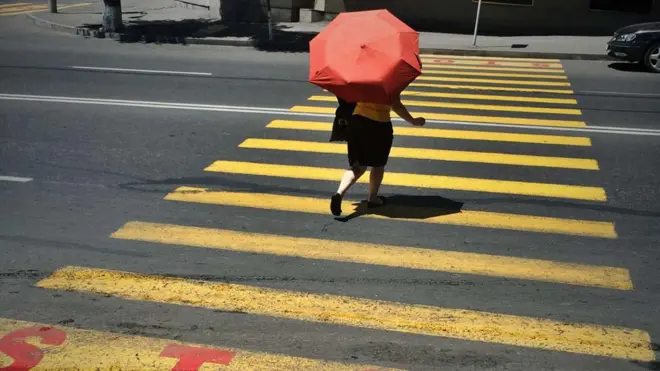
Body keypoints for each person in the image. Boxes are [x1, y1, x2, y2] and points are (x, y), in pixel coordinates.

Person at [330, 94, 425, 216]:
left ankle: (339, 193)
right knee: (378, 165)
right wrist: (413, 121)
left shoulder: (360, 79)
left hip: (358, 122)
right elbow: (396, 105)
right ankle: (372, 199)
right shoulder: (389, 83)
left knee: (357, 166)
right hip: (380, 126)